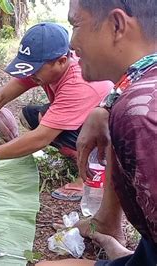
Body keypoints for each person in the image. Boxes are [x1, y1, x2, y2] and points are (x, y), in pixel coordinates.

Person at [37, 0, 156, 265]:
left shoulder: (141, 115)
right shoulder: (138, 89)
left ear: (116, 25)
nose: (71, 43)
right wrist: (106, 106)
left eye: (75, 25)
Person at [0, 22, 112, 201]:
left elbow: (41, 138)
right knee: (32, 115)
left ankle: (91, 174)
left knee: (50, 129)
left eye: (35, 69)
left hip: (112, 135)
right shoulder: (49, 66)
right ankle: (82, 156)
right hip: (86, 118)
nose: (30, 74)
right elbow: (2, 95)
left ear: (61, 61)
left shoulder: (78, 83)